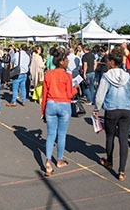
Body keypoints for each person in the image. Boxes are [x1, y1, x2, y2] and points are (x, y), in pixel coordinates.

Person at [93, 46, 130, 181]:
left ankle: (110, 161)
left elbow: (100, 96)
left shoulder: (106, 76)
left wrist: (96, 109)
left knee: (110, 137)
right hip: (126, 110)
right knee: (123, 139)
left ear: (111, 61)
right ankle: (122, 171)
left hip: (111, 110)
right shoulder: (128, 77)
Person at [41, 49, 75, 177]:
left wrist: (43, 110)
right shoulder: (67, 76)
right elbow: (69, 94)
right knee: (61, 134)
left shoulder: (48, 74)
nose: (68, 62)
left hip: (50, 104)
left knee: (50, 134)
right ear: (61, 62)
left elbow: (44, 94)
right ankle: (59, 159)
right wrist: (75, 89)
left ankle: (48, 161)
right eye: (66, 60)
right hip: (64, 104)